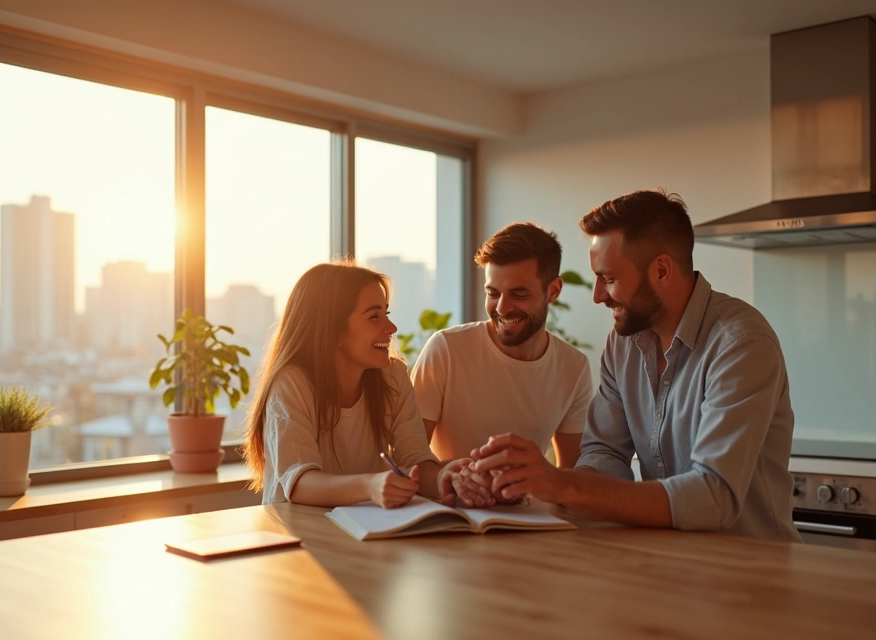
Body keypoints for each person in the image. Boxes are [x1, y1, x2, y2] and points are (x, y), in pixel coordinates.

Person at [471, 190, 800, 541]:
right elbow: (605, 452)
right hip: (672, 563)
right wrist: (535, 487)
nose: (598, 295)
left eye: (609, 279)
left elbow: (713, 498)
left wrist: (562, 483)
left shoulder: (741, 343)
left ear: (661, 270)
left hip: (755, 571)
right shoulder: (623, 341)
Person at [243, 261, 469, 508]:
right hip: (302, 533)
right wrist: (370, 486)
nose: (391, 328)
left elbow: (414, 458)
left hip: (368, 532)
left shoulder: (392, 375)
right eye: (374, 317)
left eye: (387, 314)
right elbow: (299, 484)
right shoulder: (291, 383)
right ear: (334, 329)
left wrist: (443, 478)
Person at [411, 223, 593, 506]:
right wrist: (448, 474)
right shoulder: (446, 349)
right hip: (449, 518)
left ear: (553, 291)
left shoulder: (574, 367)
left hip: (526, 521)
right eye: (493, 292)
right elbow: (408, 458)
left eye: (519, 294)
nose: (501, 308)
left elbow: (570, 476)